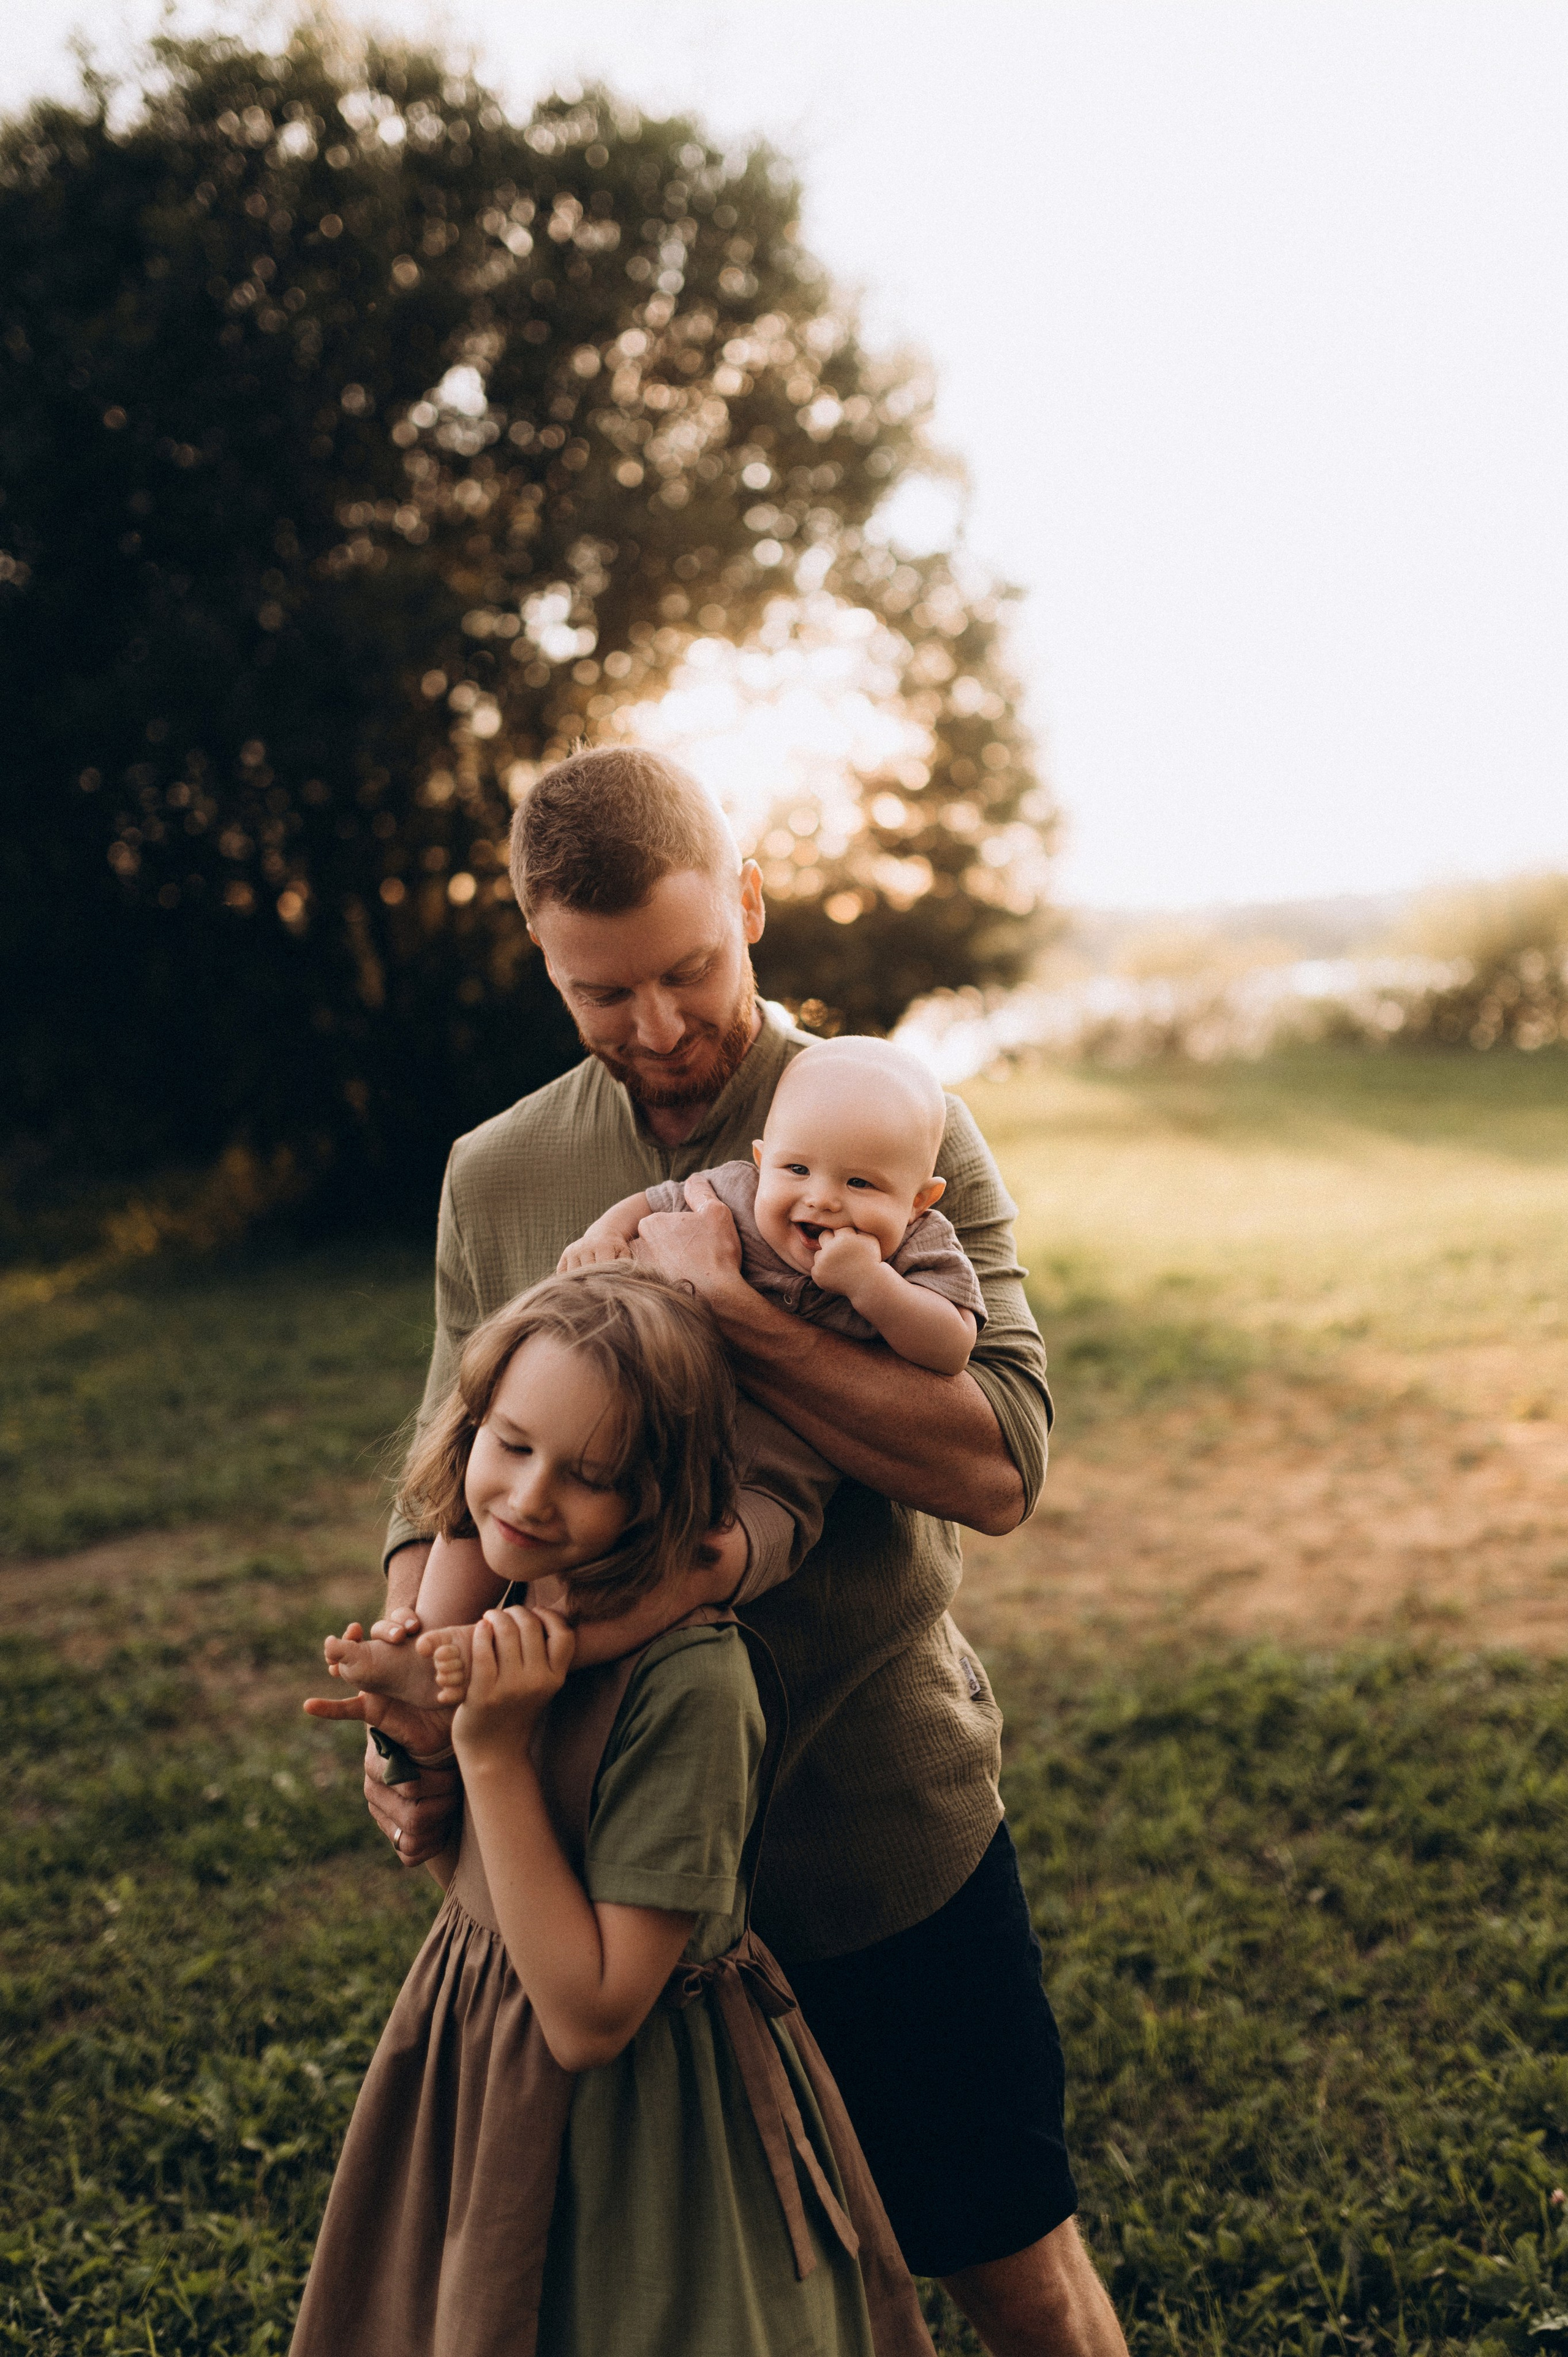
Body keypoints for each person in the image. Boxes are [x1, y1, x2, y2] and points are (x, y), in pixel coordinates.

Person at [347, 744, 1127, 2357]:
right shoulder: (497, 1175)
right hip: (611, 1860)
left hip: (870, 1830)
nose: (658, 1027)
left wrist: (716, 1307)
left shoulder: (889, 1119)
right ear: (545, 964)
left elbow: (995, 1462)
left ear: (751, 906)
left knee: (1011, 2268)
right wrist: (410, 1700)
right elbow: (450, 1486)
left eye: (691, 968)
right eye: (600, 990)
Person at [295, 1265, 933, 2357]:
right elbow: (481, 1888)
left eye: (590, 1474)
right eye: (512, 1443)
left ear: (662, 1495)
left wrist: (487, 1753)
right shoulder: (512, 1604)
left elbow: (593, 2015)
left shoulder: (692, 1684)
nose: (532, 1498)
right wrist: (418, 1748)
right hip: (484, 2051)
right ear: (469, 1430)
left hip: (657, 2124)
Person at [559, 1034, 985, 1375]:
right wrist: (605, 1234)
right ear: (762, 1163)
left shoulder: (922, 1244)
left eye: (859, 1182)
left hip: (781, 1472)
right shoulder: (734, 1194)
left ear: (918, 1201)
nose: (820, 1198)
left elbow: (952, 1350)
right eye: (797, 1169)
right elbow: (649, 1203)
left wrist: (870, 1284)